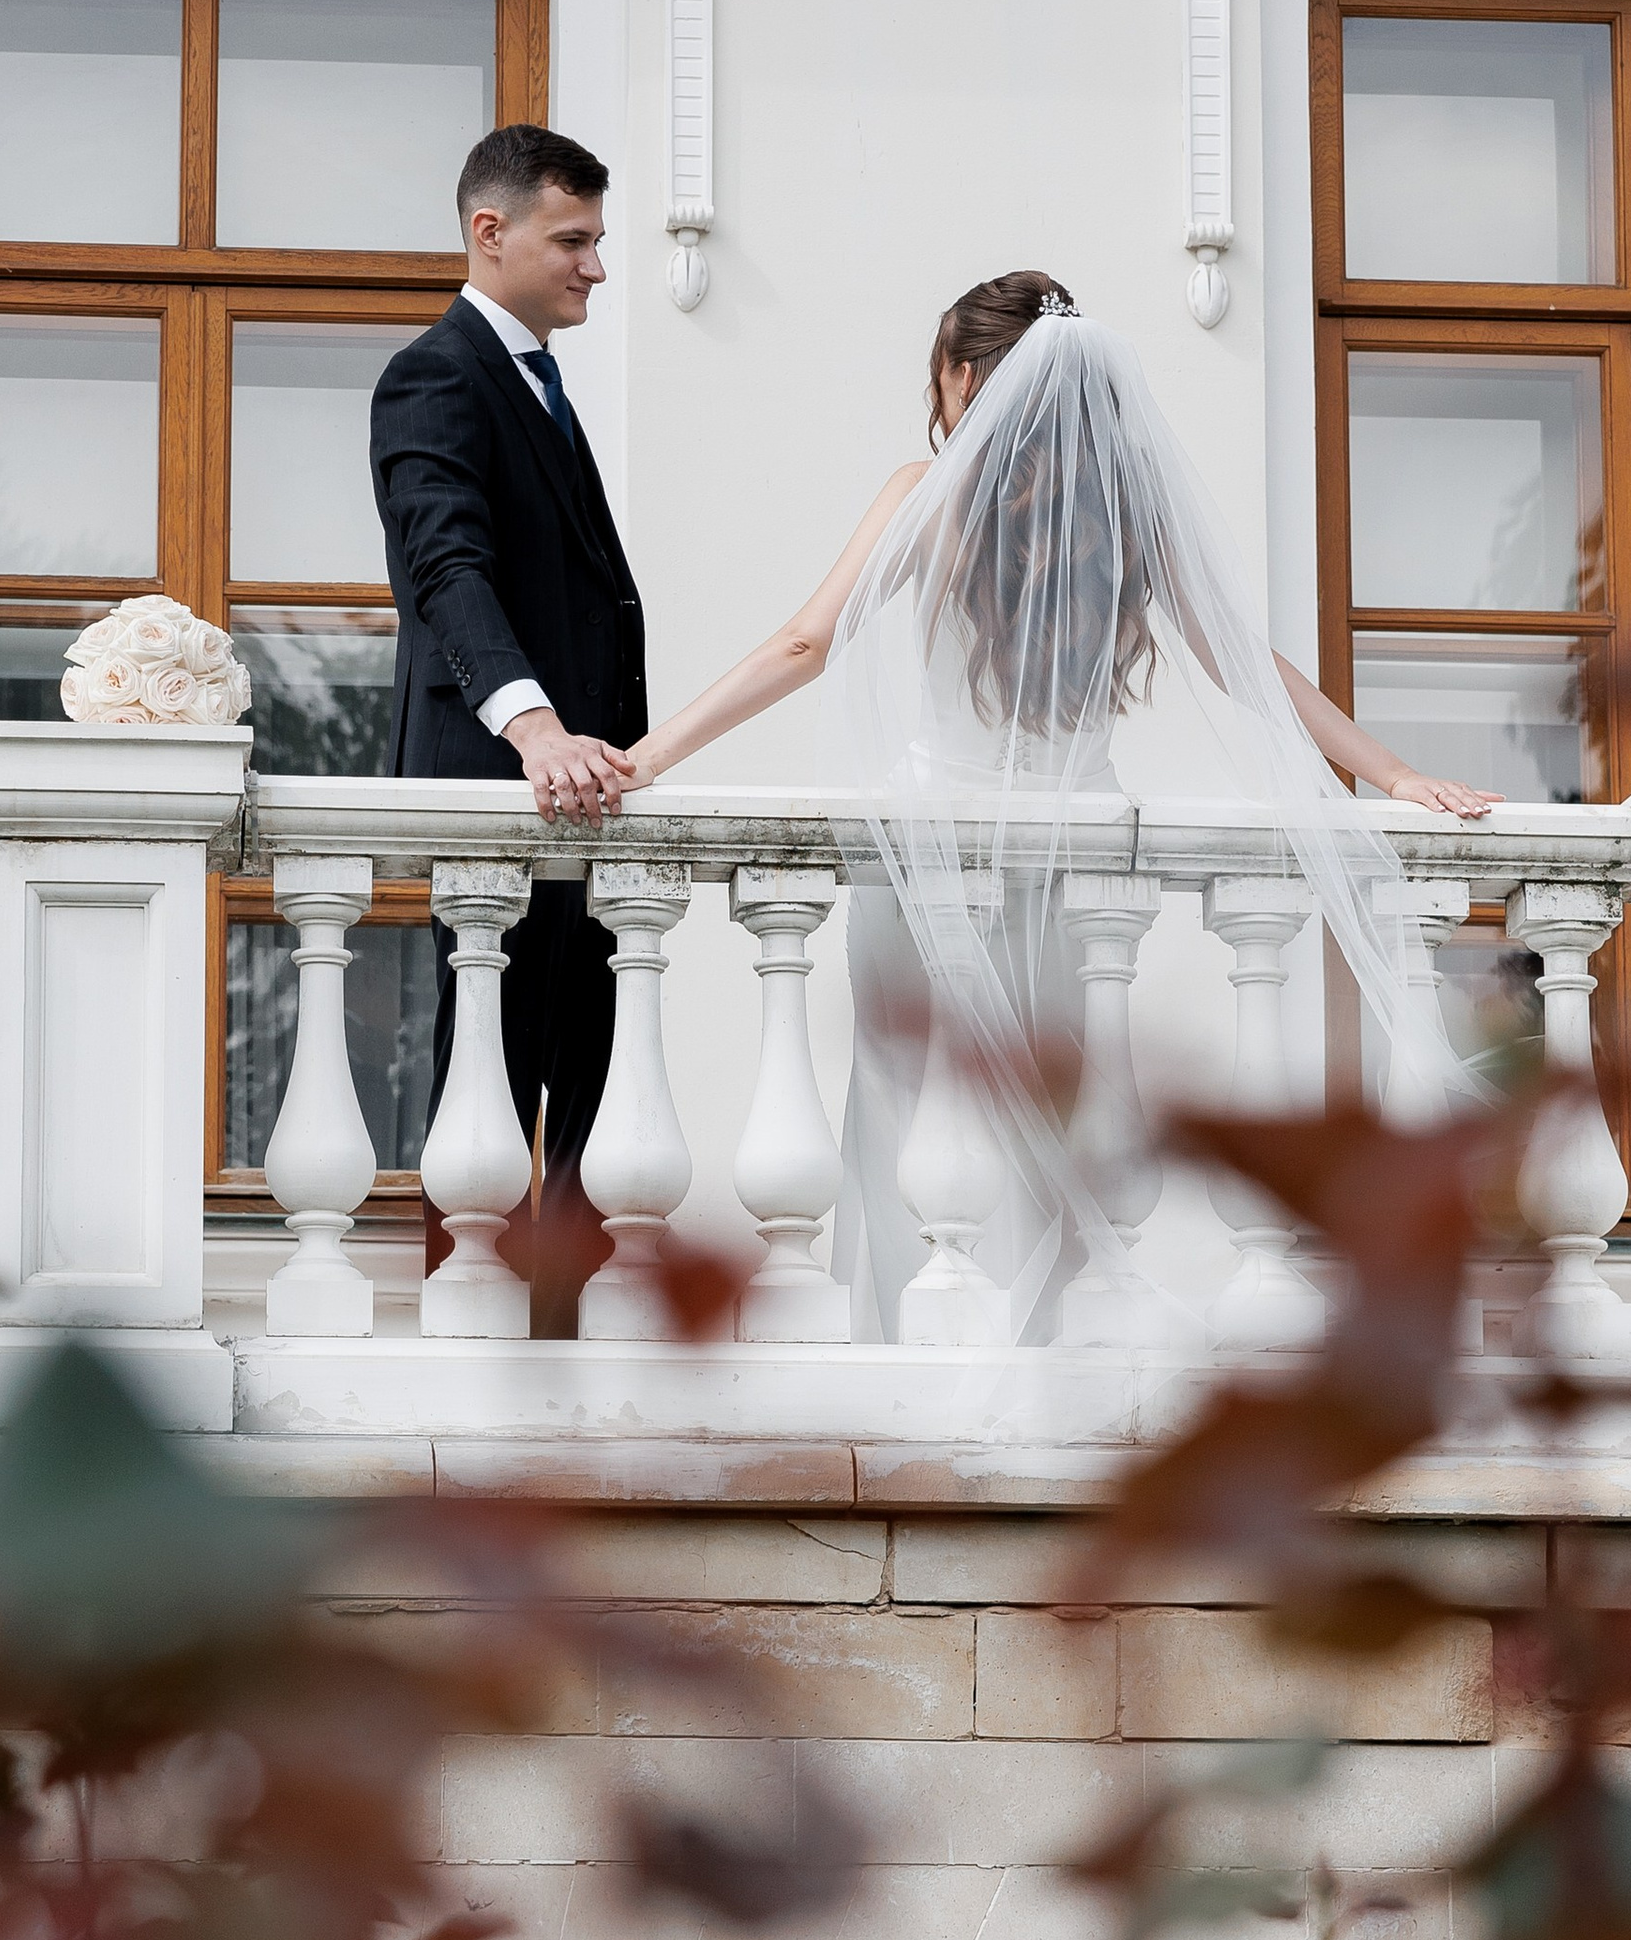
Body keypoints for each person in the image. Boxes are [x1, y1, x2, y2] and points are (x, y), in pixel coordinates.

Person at [626, 269, 1498, 1341]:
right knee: (1051, 1125)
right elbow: (1246, 668)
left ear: (959, 375)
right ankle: (1040, 1353)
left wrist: (651, 753)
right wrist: (1392, 772)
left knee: (906, 1118)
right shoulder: (1122, 517)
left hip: (933, 860)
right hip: (1076, 873)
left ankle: (909, 1344)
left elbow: (807, 643)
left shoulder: (921, 495)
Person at [370, 127, 643, 1335]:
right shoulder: (436, 375)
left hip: (585, 809)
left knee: (586, 1060)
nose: (595, 266)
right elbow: (447, 569)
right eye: (572, 240)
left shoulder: (539, 382)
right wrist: (534, 728)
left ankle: (567, 1333)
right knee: (494, 1063)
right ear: (492, 234)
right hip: (505, 791)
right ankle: (477, 1332)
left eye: (595, 240)